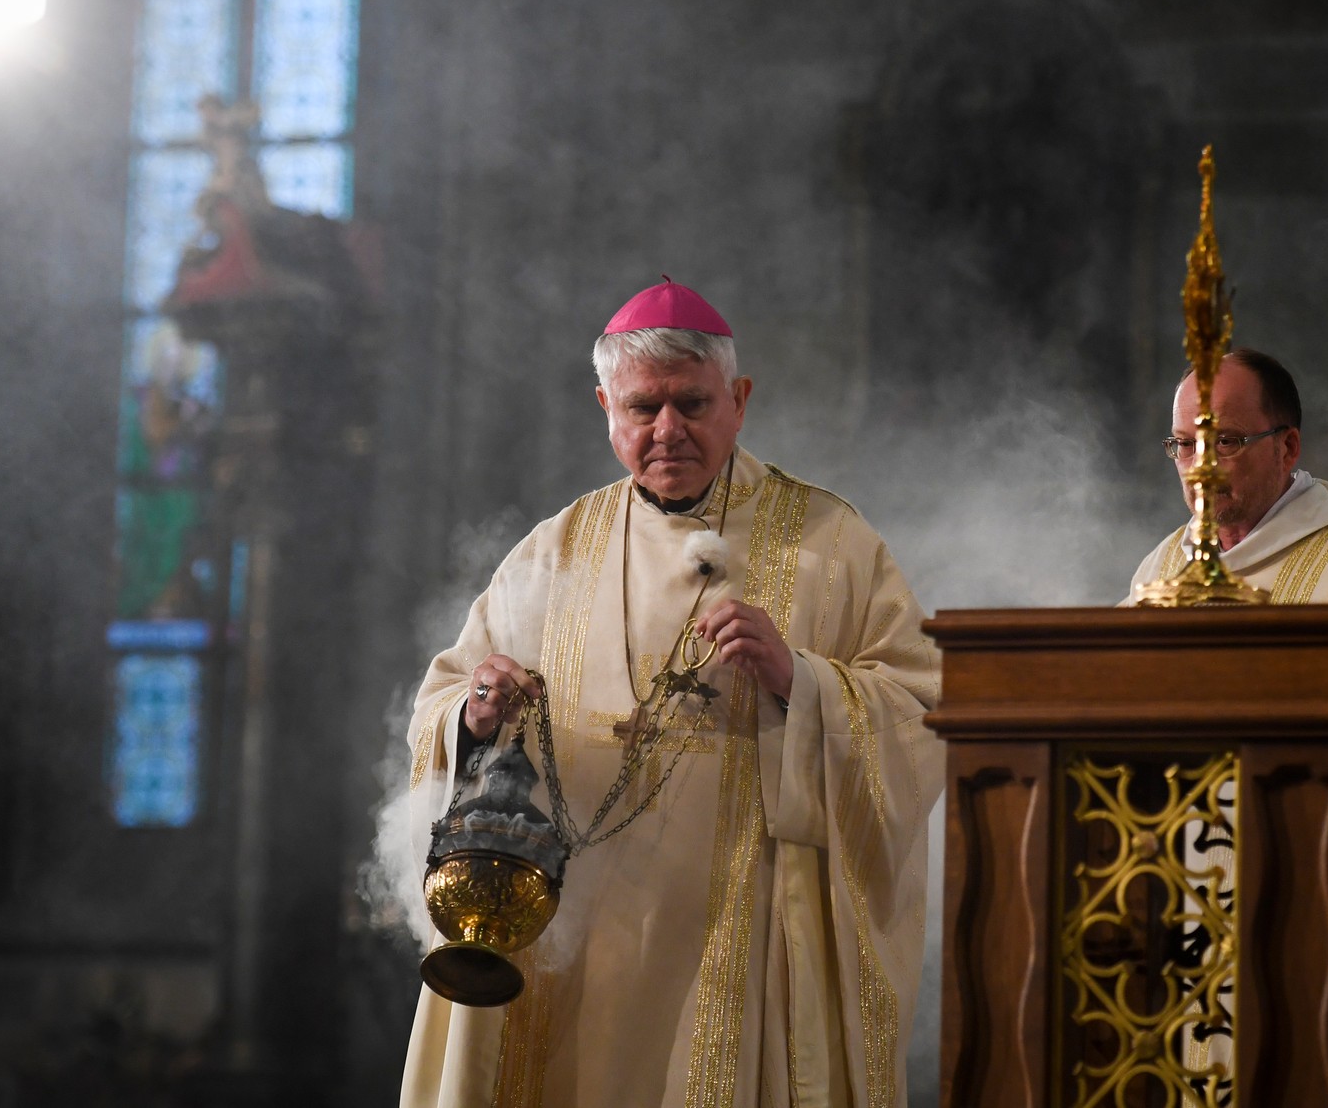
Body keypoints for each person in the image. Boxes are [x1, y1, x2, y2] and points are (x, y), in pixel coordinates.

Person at [399, 279, 943, 1108]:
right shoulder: (554, 551)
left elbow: (921, 713)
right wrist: (473, 716)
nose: (667, 431)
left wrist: (803, 680)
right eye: (642, 408)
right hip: (573, 936)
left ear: (740, 400)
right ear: (605, 407)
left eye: (692, 403)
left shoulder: (832, 545)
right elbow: (441, 705)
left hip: (737, 931)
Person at [1126, 347, 1328, 620]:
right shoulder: (1159, 570)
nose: (1200, 467)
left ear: (1288, 448)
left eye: (1226, 441)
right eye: (1185, 444)